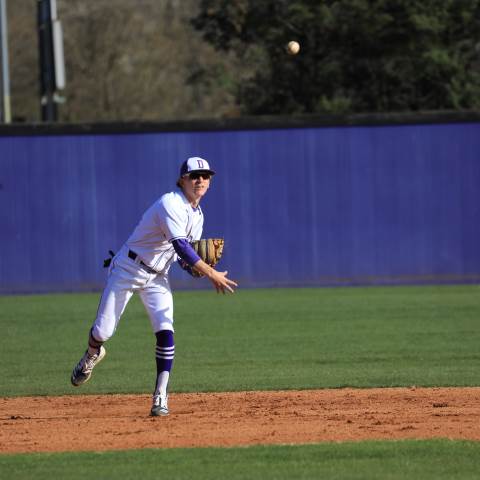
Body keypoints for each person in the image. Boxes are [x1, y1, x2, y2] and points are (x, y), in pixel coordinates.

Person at [70, 156, 238, 416]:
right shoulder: (170, 203)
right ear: (182, 179)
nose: (201, 180)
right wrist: (212, 273)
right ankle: (92, 353)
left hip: (158, 276)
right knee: (103, 331)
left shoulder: (198, 215)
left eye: (205, 176)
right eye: (195, 176)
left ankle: (161, 395)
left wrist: (197, 269)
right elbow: (181, 246)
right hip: (128, 267)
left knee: (165, 328)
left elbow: (183, 258)